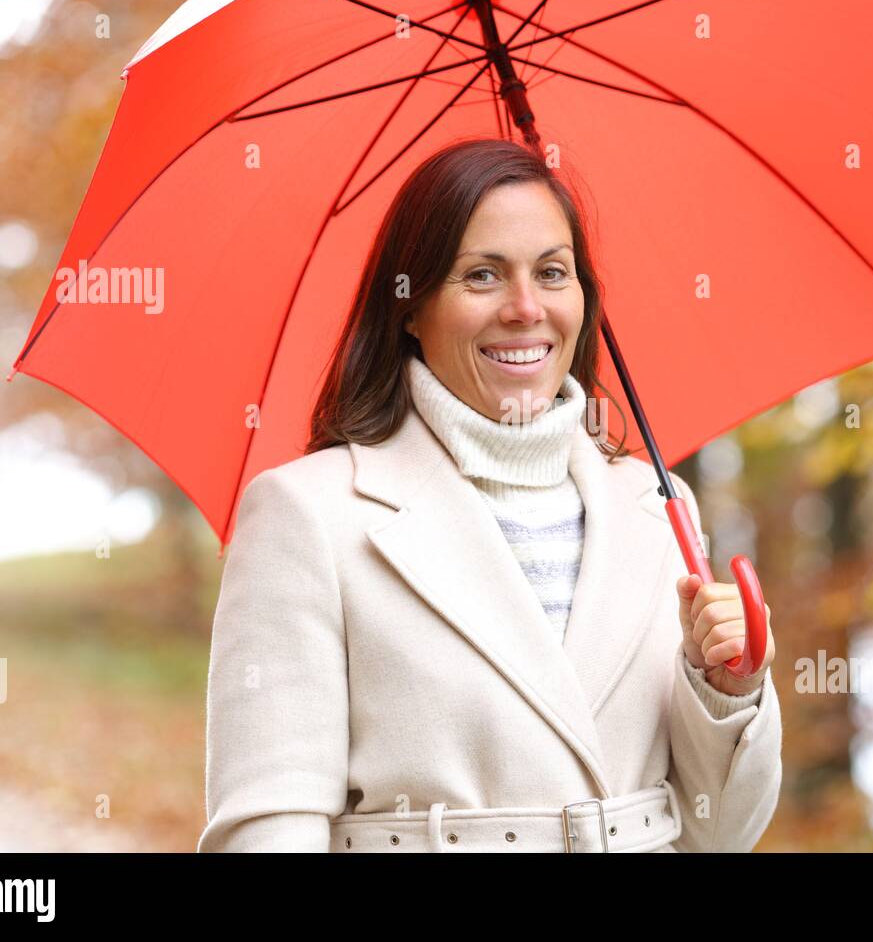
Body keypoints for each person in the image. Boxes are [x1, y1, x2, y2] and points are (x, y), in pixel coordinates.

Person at [197, 137, 782, 853]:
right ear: (409, 307)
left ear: (584, 299)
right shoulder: (309, 514)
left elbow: (719, 835)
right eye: (481, 276)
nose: (525, 308)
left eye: (553, 272)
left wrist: (726, 690)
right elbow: (269, 826)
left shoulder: (657, 506)